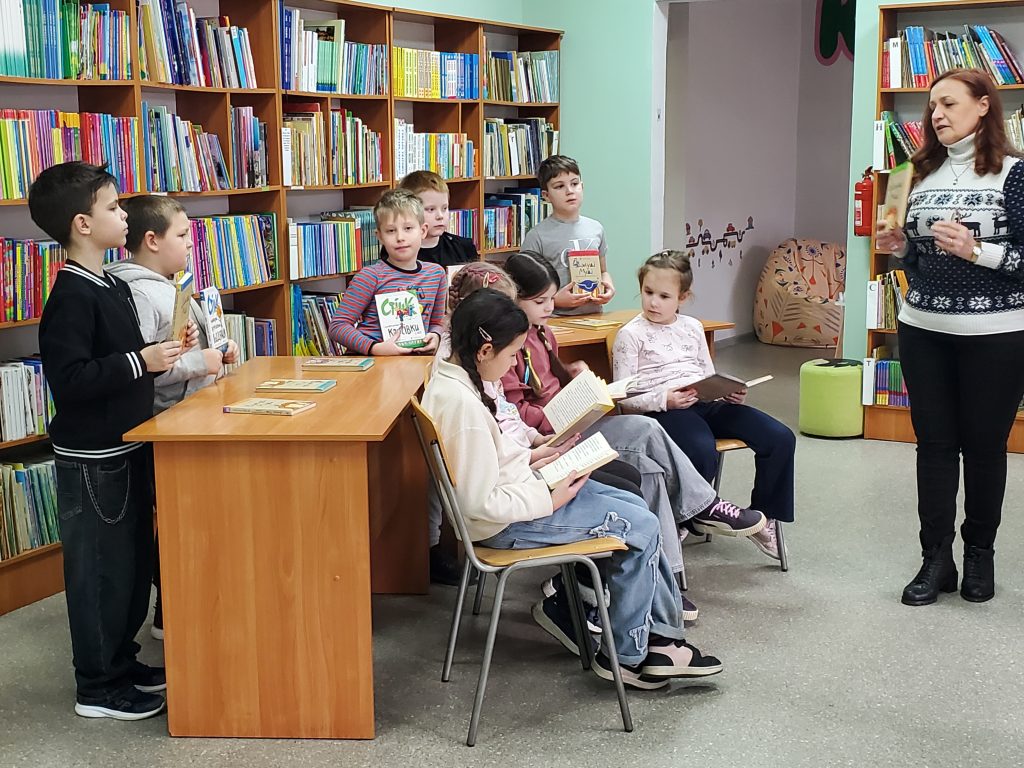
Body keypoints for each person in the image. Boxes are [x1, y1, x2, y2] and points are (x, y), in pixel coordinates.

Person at [422, 288, 723, 689]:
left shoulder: (454, 379)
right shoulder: (463, 407)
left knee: (636, 507)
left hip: (520, 494)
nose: (513, 362)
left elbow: (488, 461)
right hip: (506, 521)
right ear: (485, 350)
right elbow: (480, 503)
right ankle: (630, 656)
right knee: (642, 526)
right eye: (511, 355)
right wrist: (550, 498)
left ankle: (661, 640)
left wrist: (534, 458)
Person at [501, 252, 766, 618]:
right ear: (513, 299)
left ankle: (665, 581)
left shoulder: (543, 333)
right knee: (647, 442)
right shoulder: (508, 345)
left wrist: (574, 377)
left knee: (650, 454)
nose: (550, 307)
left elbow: (548, 382)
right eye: (540, 301)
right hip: (550, 439)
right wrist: (561, 410)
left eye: (551, 298)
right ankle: (702, 509)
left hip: (570, 425)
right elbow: (517, 412)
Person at [32, 162, 190, 720]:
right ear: (83, 224)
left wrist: (163, 353)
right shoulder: (72, 294)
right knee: (101, 574)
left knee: (129, 567)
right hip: (93, 460)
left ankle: (121, 661)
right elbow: (72, 378)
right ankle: (97, 687)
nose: (124, 216)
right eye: (113, 208)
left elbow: (127, 357)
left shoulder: (111, 284)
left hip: (127, 445)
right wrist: (140, 360)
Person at [875, 68, 1024, 606]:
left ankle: (980, 553)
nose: (936, 114)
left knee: (984, 448)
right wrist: (899, 248)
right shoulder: (915, 174)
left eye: (949, 103)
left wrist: (976, 250)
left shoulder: (1015, 174)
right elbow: (918, 261)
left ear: (984, 105)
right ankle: (935, 559)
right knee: (934, 447)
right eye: (932, 106)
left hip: (997, 334)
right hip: (924, 330)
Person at [106, 195, 240, 639]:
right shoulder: (141, 294)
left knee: (195, 518)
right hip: (169, 422)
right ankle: (172, 611)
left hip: (193, 412)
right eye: (182, 235)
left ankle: (185, 605)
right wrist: (202, 362)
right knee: (181, 522)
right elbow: (152, 370)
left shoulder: (170, 284)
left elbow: (181, 349)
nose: (189, 243)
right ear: (151, 240)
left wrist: (217, 351)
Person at [611, 250, 795, 561]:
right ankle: (688, 516)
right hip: (665, 410)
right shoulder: (630, 335)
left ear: (683, 297)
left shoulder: (693, 327)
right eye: (648, 292)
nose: (653, 302)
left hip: (704, 402)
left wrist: (726, 392)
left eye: (664, 296)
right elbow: (623, 399)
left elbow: (707, 375)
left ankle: (764, 518)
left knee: (780, 437)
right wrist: (665, 399)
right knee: (700, 447)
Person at [328, 189, 447, 356]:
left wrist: (435, 336)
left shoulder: (436, 274)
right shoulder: (369, 276)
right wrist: (375, 348)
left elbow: (437, 322)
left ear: (423, 231)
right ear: (380, 236)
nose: (400, 237)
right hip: (372, 361)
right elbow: (338, 327)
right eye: (391, 231)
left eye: (408, 228)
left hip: (415, 361)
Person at [519, 155, 615, 316]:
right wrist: (555, 300)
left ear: (582, 187)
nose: (569, 191)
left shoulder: (596, 228)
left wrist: (608, 286)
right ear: (546, 195)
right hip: (554, 319)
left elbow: (603, 271)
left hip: (594, 316)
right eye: (559, 186)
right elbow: (525, 291)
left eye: (574, 184)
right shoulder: (537, 236)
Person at [391, 170, 479, 268]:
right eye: (431, 209)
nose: (440, 216)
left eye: (444, 208)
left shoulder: (463, 246)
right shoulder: (399, 251)